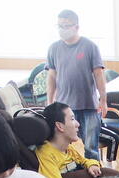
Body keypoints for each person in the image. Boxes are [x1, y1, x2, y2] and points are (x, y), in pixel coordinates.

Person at [46, 9, 107, 161]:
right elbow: (52, 76)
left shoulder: (90, 46)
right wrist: (49, 101)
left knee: (91, 146)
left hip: (89, 105)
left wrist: (103, 100)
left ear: (76, 27)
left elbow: (99, 75)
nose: (62, 30)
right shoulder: (54, 48)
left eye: (66, 26)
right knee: (65, 145)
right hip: (65, 107)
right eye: (59, 26)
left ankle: (95, 175)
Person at [36, 102, 119, 178]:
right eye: (72, 119)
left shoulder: (68, 148)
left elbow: (84, 161)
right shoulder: (46, 153)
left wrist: (91, 165)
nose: (78, 124)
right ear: (60, 126)